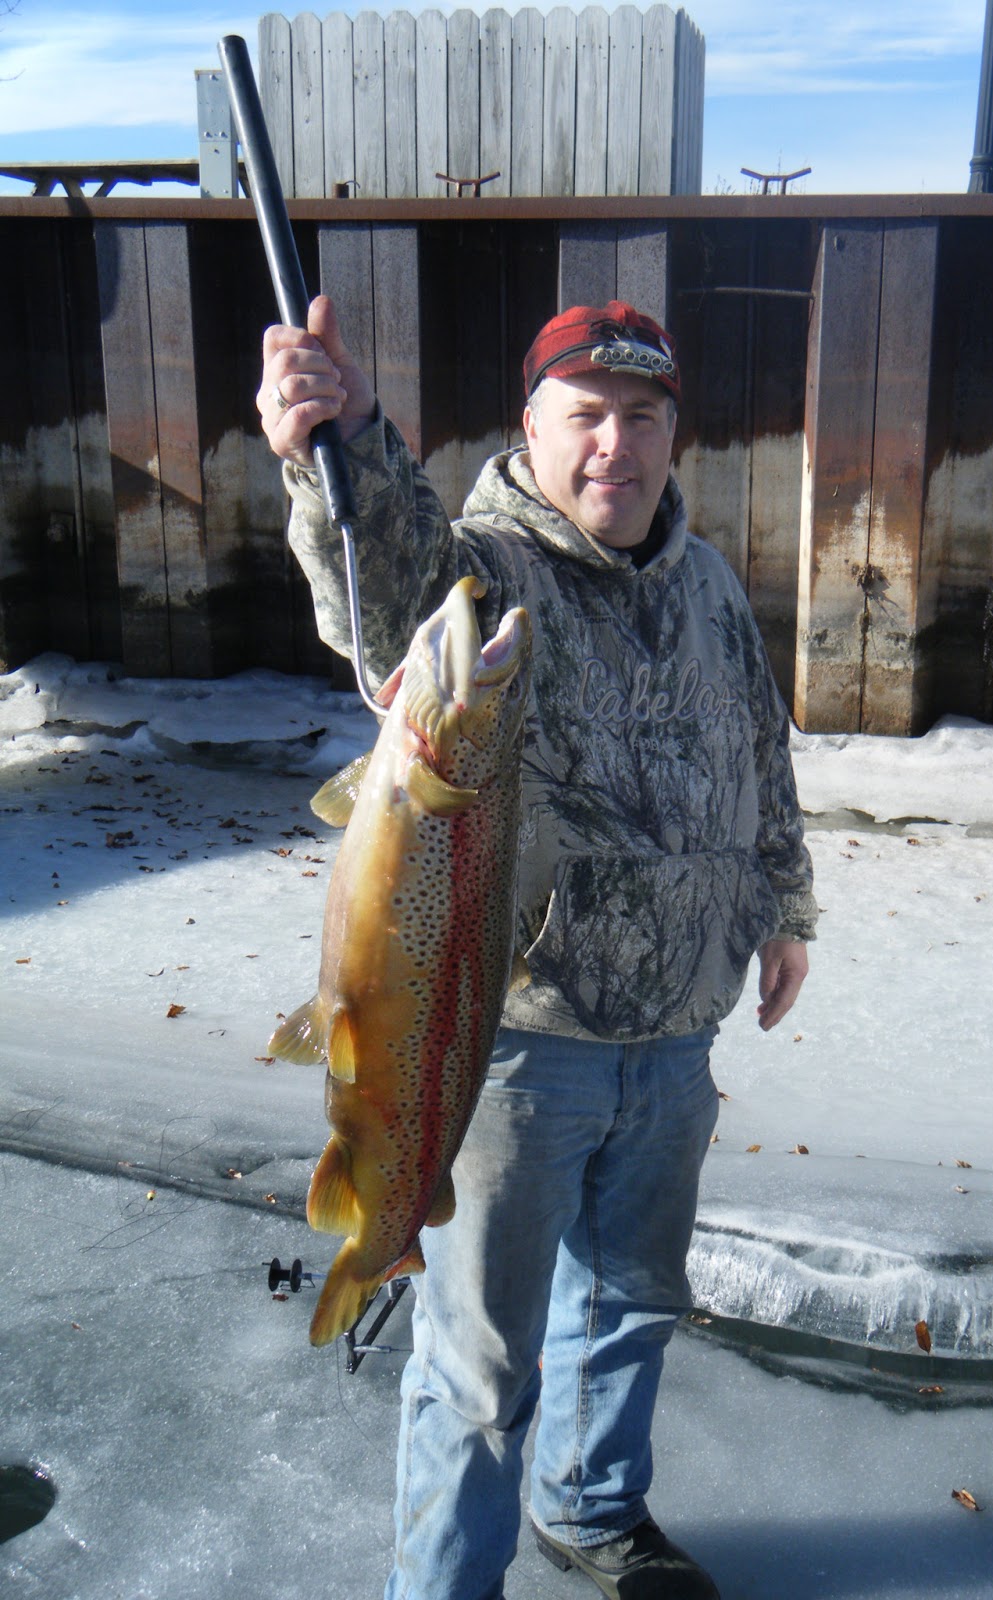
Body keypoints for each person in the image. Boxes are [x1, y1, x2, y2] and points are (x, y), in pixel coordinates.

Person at [258, 294, 818, 1600]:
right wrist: (333, 442)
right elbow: (377, 588)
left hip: (679, 1034)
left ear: (675, 433)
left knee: (630, 1308)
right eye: (586, 416)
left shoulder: (711, 582)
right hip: (515, 1051)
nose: (614, 445)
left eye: (641, 417)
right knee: (481, 1363)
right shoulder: (483, 575)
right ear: (532, 426)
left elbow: (760, 748)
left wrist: (783, 908)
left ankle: (591, 1512)